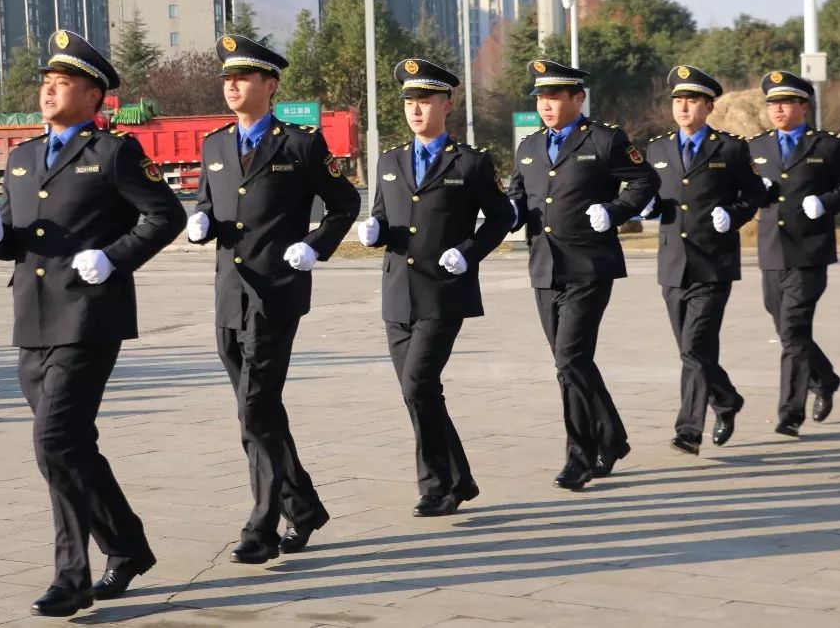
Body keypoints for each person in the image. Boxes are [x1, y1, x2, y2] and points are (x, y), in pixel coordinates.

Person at [0, 29, 187, 617]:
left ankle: (73, 577)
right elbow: (22, 237)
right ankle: (127, 545)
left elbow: (164, 215)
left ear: (94, 96)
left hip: (90, 316)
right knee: (66, 448)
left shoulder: (113, 154)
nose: (48, 91)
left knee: (54, 440)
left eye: (62, 83)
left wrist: (114, 257)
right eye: (45, 83)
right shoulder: (20, 157)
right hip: (32, 321)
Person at [186, 34, 360, 564]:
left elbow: (344, 203)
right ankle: (303, 506)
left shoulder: (300, 144)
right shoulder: (215, 145)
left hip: (276, 296)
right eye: (227, 78)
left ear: (270, 85)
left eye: (243, 78)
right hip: (228, 296)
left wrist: (315, 246)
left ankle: (261, 526)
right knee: (256, 411)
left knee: (255, 409)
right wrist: (199, 221)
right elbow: (211, 205)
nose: (231, 85)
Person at [357, 59, 514, 516]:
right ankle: (459, 479)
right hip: (397, 293)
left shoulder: (470, 162)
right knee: (420, 391)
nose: (416, 110)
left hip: (443, 292)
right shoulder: (389, 161)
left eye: (425, 101)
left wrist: (468, 250)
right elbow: (385, 217)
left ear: (447, 104)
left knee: (418, 384)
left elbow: (502, 217)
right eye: (409, 102)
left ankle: (435, 484)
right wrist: (376, 231)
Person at [507, 59, 659, 491]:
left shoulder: (606, 140)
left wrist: (614, 210)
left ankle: (581, 456)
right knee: (570, 363)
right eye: (541, 97)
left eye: (555, 96)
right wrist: (512, 211)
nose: (546, 105)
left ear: (578, 98)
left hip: (590, 267)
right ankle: (612, 438)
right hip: (544, 266)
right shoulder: (530, 146)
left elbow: (643, 182)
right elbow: (519, 193)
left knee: (569, 360)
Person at [642, 66, 764, 456]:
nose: (683, 107)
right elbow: (647, 194)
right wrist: (645, 206)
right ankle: (726, 400)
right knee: (692, 350)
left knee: (695, 347)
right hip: (672, 264)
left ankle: (689, 429)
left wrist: (734, 213)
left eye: (692, 100)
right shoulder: (657, 149)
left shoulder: (729, 148)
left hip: (713, 265)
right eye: (678, 100)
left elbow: (754, 195)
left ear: (708, 105)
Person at [748, 70, 840, 438]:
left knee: (795, 327)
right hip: (771, 251)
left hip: (810, 251)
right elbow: (744, 190)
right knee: (783, 326)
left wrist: (827, 202)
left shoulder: (825, 146)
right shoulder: (758, 147)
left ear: (803, 106)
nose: (777, 110)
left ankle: (790, 412)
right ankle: (825, 377)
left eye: (785, 103)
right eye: (772, 104)